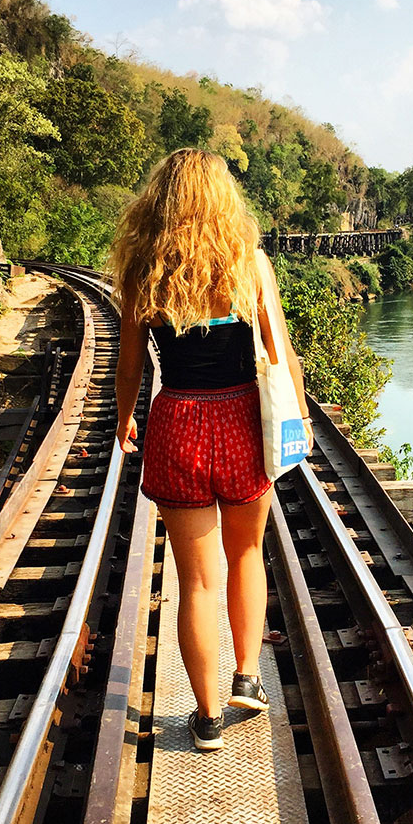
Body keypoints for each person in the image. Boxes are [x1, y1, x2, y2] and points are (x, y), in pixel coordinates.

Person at [110, 149, 312, 751]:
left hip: (176, 420)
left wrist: (125, 420)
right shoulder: (250, 264)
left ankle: (205, 718)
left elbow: (128, 365)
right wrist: (294, 422)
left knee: (195, 580)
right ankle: (247, 674)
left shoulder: (144, 268)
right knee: (248, 552)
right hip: (243, 418)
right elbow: (280, 354)